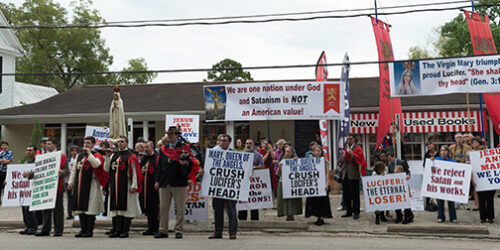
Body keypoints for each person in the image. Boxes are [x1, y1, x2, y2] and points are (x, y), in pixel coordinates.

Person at [154, 127, 193, 239]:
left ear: (177, 135)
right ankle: (163, 230)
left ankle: (178, 230)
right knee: (163, 208)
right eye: (168, 134)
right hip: (164, 182)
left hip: (179, 181)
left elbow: (190, 164)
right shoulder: (163, 149)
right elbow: (159, 166)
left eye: (172, 134)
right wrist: (157, 180)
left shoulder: (184, 148)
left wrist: (184, 164)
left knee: (180, 208)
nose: (170, 136)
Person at [103, 136, 143, 238]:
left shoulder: (131, 156)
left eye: (122, 142)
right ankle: (116, 230)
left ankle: (125, 230)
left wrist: (134, 185)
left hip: (126, 185)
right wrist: (107, 157)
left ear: (127, 143)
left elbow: (135, 171)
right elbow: (106, 169)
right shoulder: (114, 155)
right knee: (115, 209)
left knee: (126, 209)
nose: (120, 143)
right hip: (115, 185)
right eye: (118, 142)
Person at [67, 136, 107, 237]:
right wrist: (71, 182)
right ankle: (83, 229)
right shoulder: (79, 155)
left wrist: (89, 154)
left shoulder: (97, 155)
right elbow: (75, 171)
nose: (86, 145)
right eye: (85, 143)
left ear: (93, 144)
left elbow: (96, 164)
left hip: (92, 185)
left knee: (90, 209)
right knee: (80, 208)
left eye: (88, 143)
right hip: (79, 185)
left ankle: (89, 231)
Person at [208, 134, 238, 240]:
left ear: (229, 142)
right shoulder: (213, 153)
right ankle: (218, 232)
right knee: (218, 210)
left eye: (225, 140)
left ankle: (232, 233)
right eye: (220, 140)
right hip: (217, 187)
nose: (222, 142)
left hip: (230, 188)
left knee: (231, 211)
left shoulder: (234, 154)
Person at [36, 138, 68, 237]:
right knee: (46, 209)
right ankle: (46, 229)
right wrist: (29, 175)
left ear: (55, 145)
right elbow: (39, 170)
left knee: (58, 209)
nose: (47, 146)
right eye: (46, 144)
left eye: (49, 144)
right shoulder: (43, 157)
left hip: (57, 186)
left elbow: (66, 170)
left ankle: (58, 230)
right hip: (46, 186)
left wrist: (61, 172)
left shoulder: (61, 156)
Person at [339, 135, 366, 220]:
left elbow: (359, 159)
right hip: (345, 173)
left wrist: (352, 154)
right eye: (347, 139)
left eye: (350, 139)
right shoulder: (345, 147)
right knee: (346, 194)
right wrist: (342, 157)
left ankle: (356, 212)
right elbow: (340, 160)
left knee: (355, 194)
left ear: (354, 139)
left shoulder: (357, 148)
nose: (348, 141)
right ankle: (348, 211)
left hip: (353, 174)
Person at [305, 145, 332, 226]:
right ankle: (317, 215)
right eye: (315, 151)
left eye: (318, 151)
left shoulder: (324, 160)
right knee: (314, 200)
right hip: (314, 184)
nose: (317, 152)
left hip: (322, 183)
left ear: (321, 152)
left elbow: (327, 172)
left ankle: (321, 217)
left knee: (322, 201)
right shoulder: (311, 160)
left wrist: (327, 183)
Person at [238, 139, 265, 221]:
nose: (248, 145)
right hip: (243, 182)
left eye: (250, 143)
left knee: (254, 200)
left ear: (253, 145)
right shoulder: (241, 155)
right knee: (242, 200)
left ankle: (254, 219)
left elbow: (262, 166)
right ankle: (242, 219)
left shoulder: (257, 155)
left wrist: (254, 167)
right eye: (246, 143)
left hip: (254, 181)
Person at [432, 145, 457, 223]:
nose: (443, 152)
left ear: (448, 152)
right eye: (441, 150)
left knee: (451, 203)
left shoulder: (452, 161)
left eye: (445, 150)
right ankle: (440, 217)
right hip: (440, 184)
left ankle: (453, 217)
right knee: (440, 202)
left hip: (450, 185)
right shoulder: (436, 159)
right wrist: (431, 161)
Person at [277, 146, 302, 221]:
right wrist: (280, 167)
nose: (287, 153)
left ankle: (292, 214)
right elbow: (278, 174)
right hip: (283, 182)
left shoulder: (296, 161)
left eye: (289, 152)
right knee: (285, 200)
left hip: (293, 183)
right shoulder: (282, 161)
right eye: (286, 152)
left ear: (292, 153)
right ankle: (287, 214)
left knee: (292, 200)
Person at [140, 141, 160, 236]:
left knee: (155, 208)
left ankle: (156, 228)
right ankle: (150, 228)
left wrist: (157, 181)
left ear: (152, 147)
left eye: (147, 147)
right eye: (144, 147)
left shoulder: (157, 158)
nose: (145, 149)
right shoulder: (144, 158)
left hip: (154, 186)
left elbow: (159, 171)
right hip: (145, 186)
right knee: (148, 208)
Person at [386, 151, 412, 223]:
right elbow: (389, 173)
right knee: (396, 201)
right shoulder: (389, 164)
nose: (389, 160)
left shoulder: (402, 162)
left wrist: (408, 176)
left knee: (405, 201)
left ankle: (408, 216)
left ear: (394, 157)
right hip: (395, 185)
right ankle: (399, 216)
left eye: (390, 158)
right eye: (388, 159)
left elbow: (407, 171)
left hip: (403, 183)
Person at [19, 145, 39, 235]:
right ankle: (27, 226)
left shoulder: (38, 162)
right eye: (27, 150)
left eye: (30, 150)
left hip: (34, 189)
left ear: (35, 152)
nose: (28, 152)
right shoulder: (25, 164)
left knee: (29, 209)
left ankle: (33, 227)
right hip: (26, 189)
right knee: (24, 208)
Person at [423, 142, 438, 211]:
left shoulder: (438, 154)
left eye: (430, 144)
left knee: (437, 189)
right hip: (429, 174)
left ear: (434, 145)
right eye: (427, 145)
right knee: (428, 189)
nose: (429, 146)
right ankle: (427, 204)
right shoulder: (426, 154)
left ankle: (438, 204)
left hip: (438, 174)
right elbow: (424, 164)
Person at [65, 147, 78, 220]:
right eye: (72, 151)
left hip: (77, 181)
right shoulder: (68, 160)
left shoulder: (79, 159)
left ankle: (76, 212)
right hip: (68, 181)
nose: (74, 152)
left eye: (75, 151)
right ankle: (70, 213)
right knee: (69, 198)